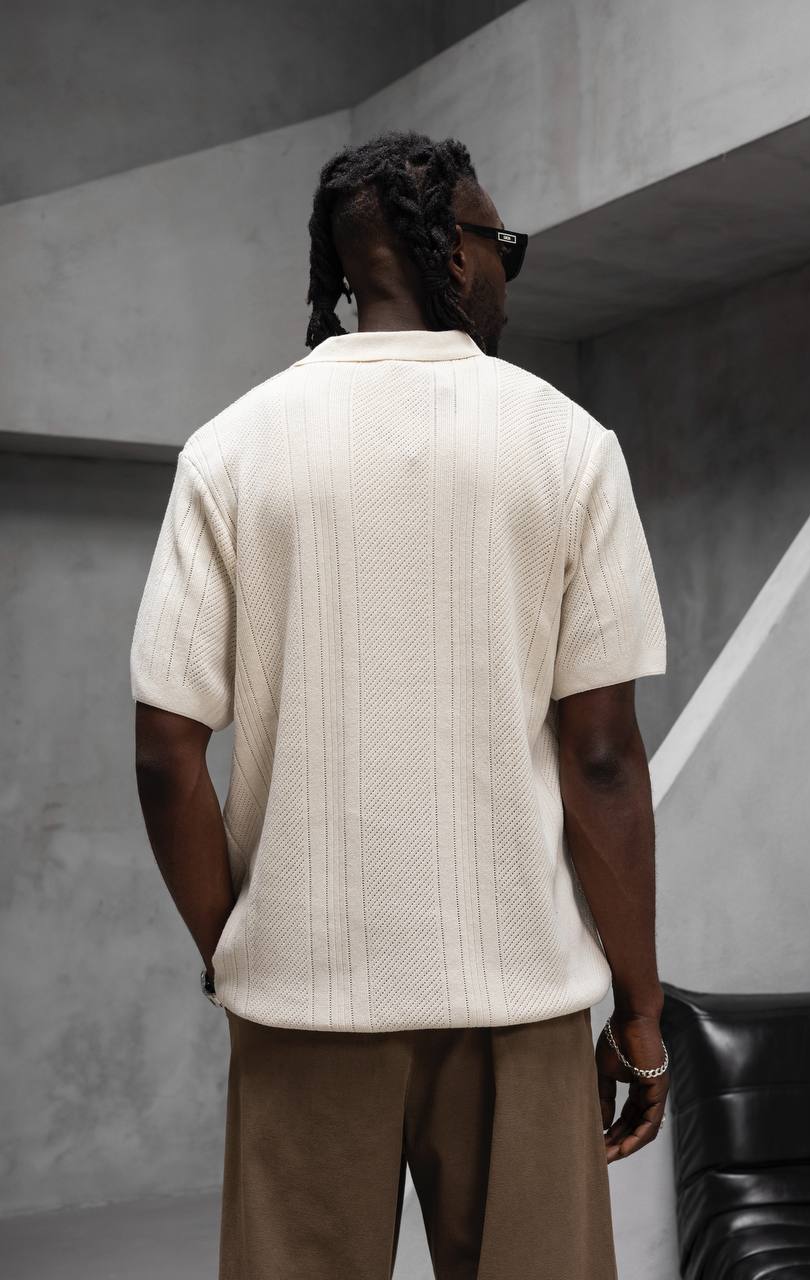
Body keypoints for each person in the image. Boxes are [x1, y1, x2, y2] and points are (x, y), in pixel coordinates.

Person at [130, 129, 670, 1280]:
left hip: (302, 1005)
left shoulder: (230, 452)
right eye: (501, 245)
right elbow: (603, 757)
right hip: (517, 998)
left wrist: (236, 948)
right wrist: (640, 1008)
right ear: (453, 254)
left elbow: (166, 752)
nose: (505, 273)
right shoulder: (567, 447)